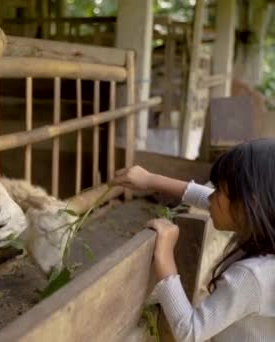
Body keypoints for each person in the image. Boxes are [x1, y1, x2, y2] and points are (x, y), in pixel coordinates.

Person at [110, 139, 275, 342]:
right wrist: (150, 180)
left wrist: (165, 256)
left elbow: (191, 332)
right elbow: (210, 200)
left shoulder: (252, 277)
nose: (211, 198)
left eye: (219, 191)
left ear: (250, 204)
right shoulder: (264, 234)